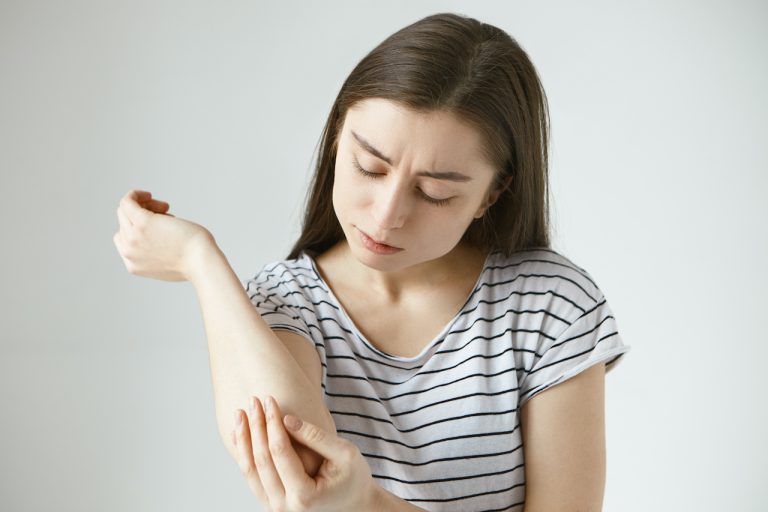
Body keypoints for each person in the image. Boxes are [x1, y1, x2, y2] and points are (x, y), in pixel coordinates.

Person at [113, 12, 630, 512]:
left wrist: (365, 504)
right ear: (337, 137)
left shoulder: (549, 305)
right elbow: (303, 472)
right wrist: (202, 262)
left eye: (433, 194)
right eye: (369, 167)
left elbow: (333, 497)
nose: (386, 217)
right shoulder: (284, 304)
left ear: (493, 194)